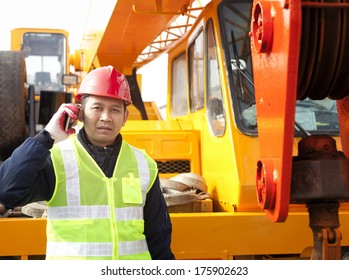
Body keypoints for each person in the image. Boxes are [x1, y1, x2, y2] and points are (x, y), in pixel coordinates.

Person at [0, 65, 175, 260]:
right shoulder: (57, 159)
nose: (106, 117)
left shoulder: (144, 164)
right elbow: (6, 189)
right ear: (80, 113)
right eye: (97, 108)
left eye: (115, 110)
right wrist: (46, 137)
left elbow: (158, 234)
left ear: (125, 117)